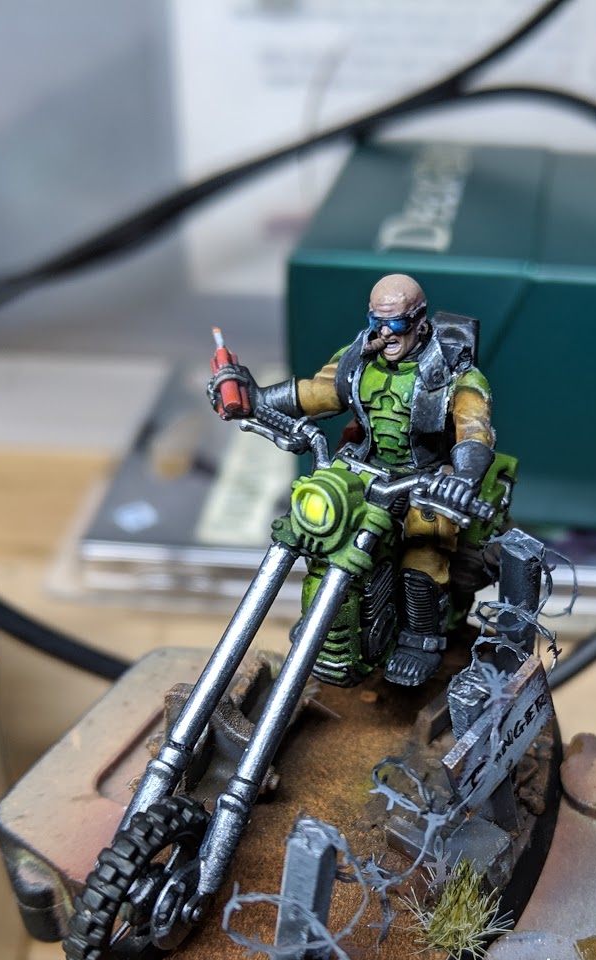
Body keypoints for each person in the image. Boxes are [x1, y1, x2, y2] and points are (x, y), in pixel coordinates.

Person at [207, 273, 496, 686]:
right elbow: (315, 394)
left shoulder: (456, 377)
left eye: (396, 323)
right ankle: (328, 617)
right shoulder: (358, 359)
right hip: (361, 469)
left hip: (424, 479)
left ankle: (420, 641)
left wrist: (462, 478)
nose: (386, 333)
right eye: (378, 321)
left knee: (421, 561)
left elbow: (474, 431)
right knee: (313, 533)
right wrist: (255, 399)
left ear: (419, 320)